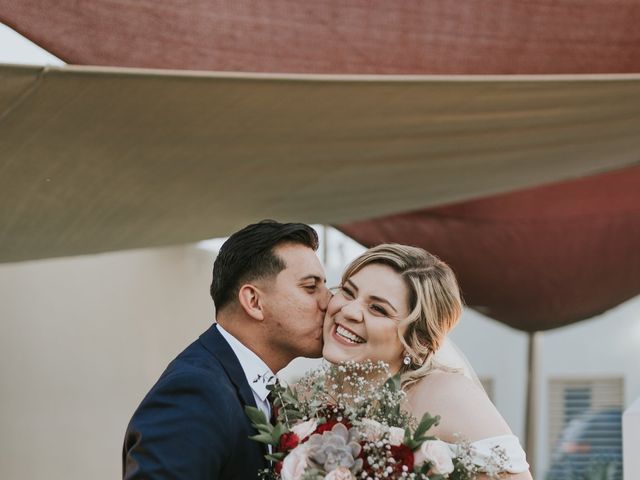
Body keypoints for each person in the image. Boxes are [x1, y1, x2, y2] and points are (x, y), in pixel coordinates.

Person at [123, 220, 331, 479]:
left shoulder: (257, 391)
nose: (329, 302)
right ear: (254, 301)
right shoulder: (195, 392)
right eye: (311, 287)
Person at [322, 243, 533, 479]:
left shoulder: (447, 395)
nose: (349, 310)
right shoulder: (303, 397)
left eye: (378, 309)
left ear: (419, 342)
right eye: (348, 292)